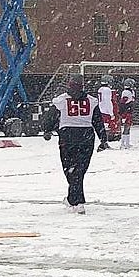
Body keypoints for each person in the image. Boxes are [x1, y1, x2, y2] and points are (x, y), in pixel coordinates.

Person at [52, 74, 108, 214]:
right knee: (80, 169)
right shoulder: (92, 101)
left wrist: (48, 129)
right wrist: (103, 138)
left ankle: (76, 200)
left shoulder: (61, 100)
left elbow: (51, 117)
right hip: (86, 136)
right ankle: (75, 198)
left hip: (68, 135)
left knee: (69, 168)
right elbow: (98, 121)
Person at [95, 75, 115, 151]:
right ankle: (104, 143)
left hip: (101, 109)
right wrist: (111, 113)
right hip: (105, 110)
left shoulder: (100, 89)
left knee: (104, 127)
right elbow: (108, 101)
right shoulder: (107, 90)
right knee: (106, 127)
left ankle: (104, 143)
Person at [118, 78, 136, 149]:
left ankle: (127, 143)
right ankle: (123, 143)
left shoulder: (131, 92)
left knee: (128, 127)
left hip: (129, 111)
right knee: (126, 127)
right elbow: (122, 103)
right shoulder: (126, 92)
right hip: (126, 112)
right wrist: (123, 112)